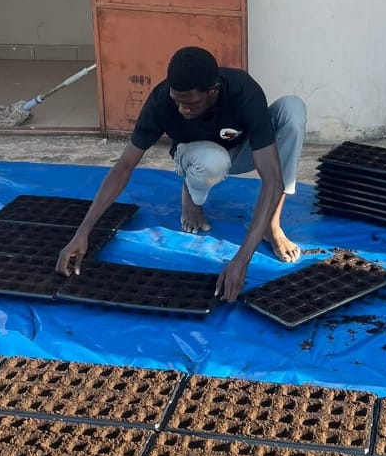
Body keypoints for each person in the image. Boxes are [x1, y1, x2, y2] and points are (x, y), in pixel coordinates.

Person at [57, 47, 307, 301]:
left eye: (191, 103)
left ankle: (271, 226)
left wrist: (242, 259)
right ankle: (191, 194)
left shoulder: (243, 91)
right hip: (196, 156)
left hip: (241, 150)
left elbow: (272, 178)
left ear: (213, 90)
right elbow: (124, 167)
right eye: (177, 101)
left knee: (292, 109)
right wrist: (82, 232)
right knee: (212, 161)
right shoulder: (160, 102)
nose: (182, 110)